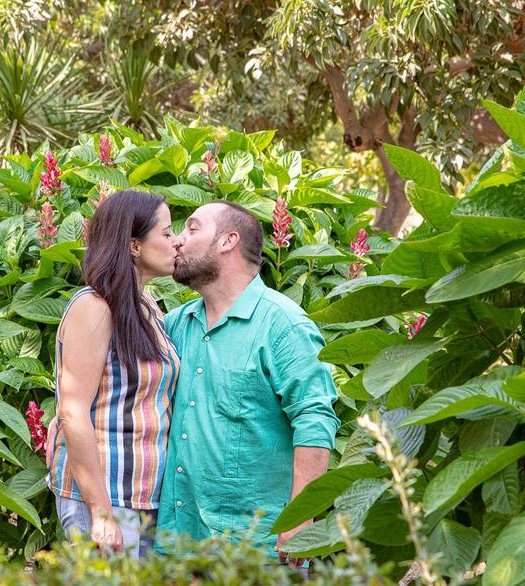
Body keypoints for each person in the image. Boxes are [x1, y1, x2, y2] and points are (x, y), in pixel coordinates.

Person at [157, 200, 340, 563]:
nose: (177, 240)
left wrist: (301, 515)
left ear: (228, 241)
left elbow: (315, 420)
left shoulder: (283, 325)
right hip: (177, 539)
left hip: (256, 548)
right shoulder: (176, 324)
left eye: (192, 228)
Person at [46, 190, 179, 558]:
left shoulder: (147, 305)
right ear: (134, 245)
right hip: (105, 498)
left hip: (142, 495)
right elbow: (74, 410)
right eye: (166, 234)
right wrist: (101, 512)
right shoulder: (94, 307)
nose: (176, 242)